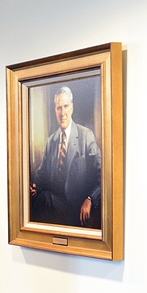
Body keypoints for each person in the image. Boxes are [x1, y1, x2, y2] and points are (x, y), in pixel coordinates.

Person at [29, 86, 102, 227]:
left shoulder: (85, 135)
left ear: (72, 108)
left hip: (77, 208)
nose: (62, 113)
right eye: (59, 108)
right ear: (55, 111)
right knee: (42, 199)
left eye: (66, 106)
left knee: (44, 200)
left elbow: (102, 174)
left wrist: (90, 198)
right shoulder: (51, 141)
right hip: (55, 205)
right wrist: (35, 186)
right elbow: (41, 174)